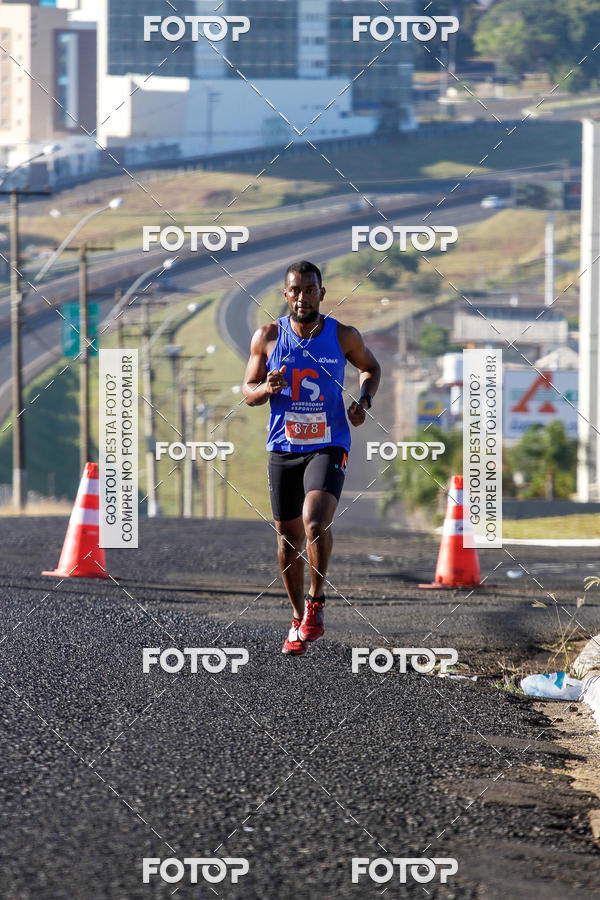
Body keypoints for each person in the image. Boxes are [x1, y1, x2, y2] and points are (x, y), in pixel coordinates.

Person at [243, 260, 381, 656]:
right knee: (288, 540)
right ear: (285, 295)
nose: (303, 297)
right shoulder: (267, 337)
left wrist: (364, 400)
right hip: (284, 447)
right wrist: (265, 388)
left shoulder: (343, 336)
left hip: (329, 442)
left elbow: (370, 367)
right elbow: (247, 391)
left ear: (322, 293)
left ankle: (317, 604)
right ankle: (296, 618)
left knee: (315, 520)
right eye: (295, 290)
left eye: (310, 289)